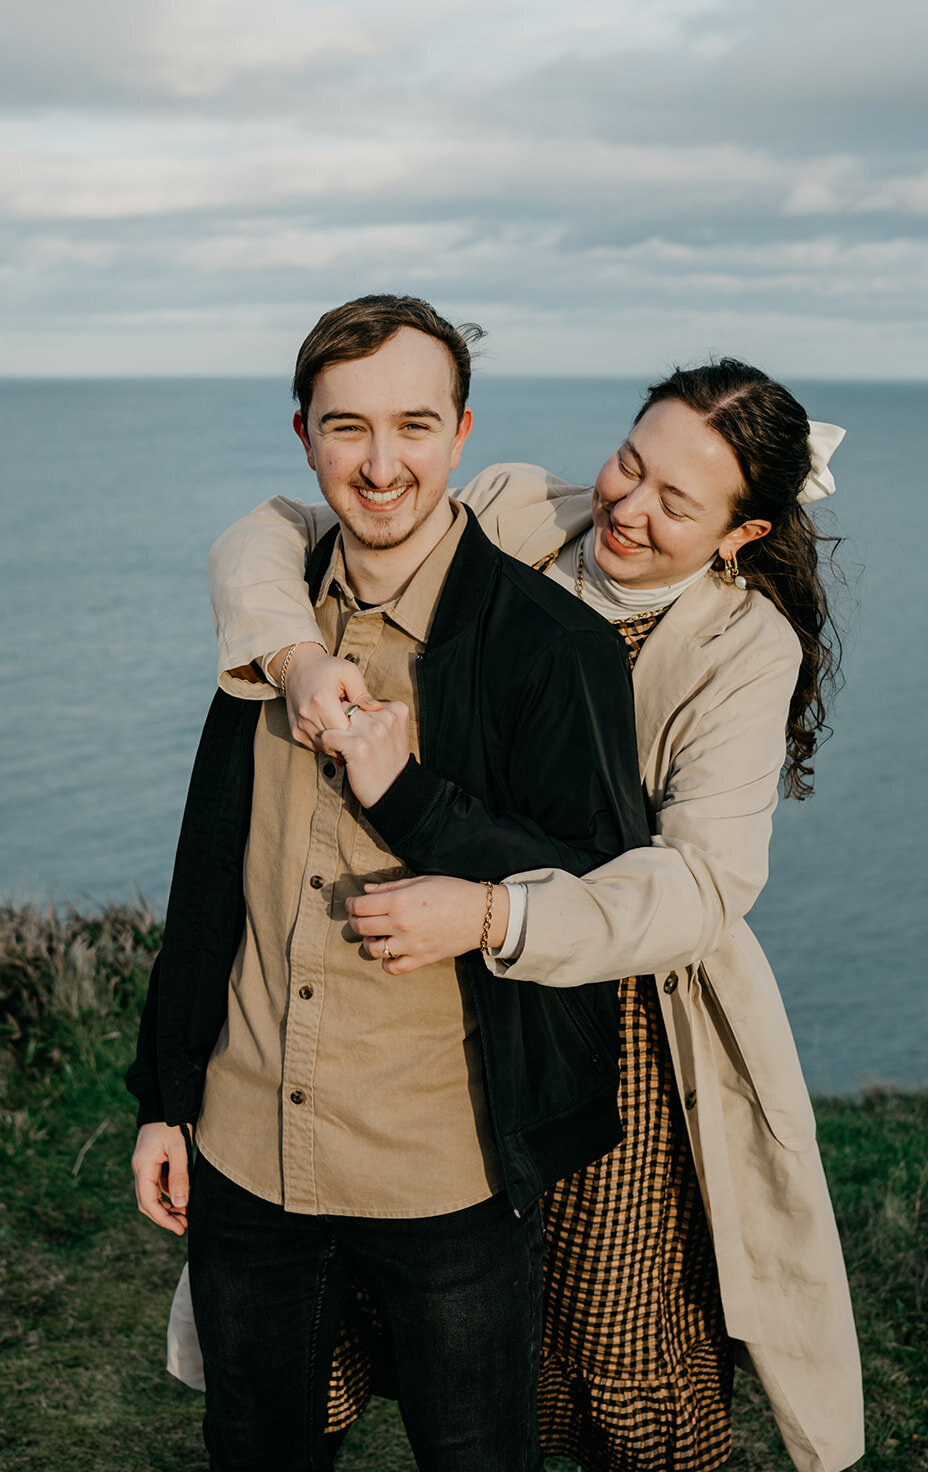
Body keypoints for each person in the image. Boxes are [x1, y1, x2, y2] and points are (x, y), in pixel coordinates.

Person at [196, 358, 865, 1472]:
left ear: (741, 535)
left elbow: (698, 886)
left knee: (608, 1330)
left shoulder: (745, 649)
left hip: (604, 998)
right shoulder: (511, 506)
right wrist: (298, 655)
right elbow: (272, 529)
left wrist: (497, 915)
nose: (624, 505)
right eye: (627, 462)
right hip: (401, 977)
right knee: (357, 1292)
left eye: (674, 503)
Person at [125, 294, 651, 1472]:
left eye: (413, 425)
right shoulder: (265, 634)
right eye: (347, 427)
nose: (380, 463)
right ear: (304, 437)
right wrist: (165, 1096)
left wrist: (413, 801)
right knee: (255, 1449)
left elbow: (595, 893)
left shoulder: (549, 648)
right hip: (246, 1147)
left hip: (445, 1170)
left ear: (462, 434)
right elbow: (211, 877)